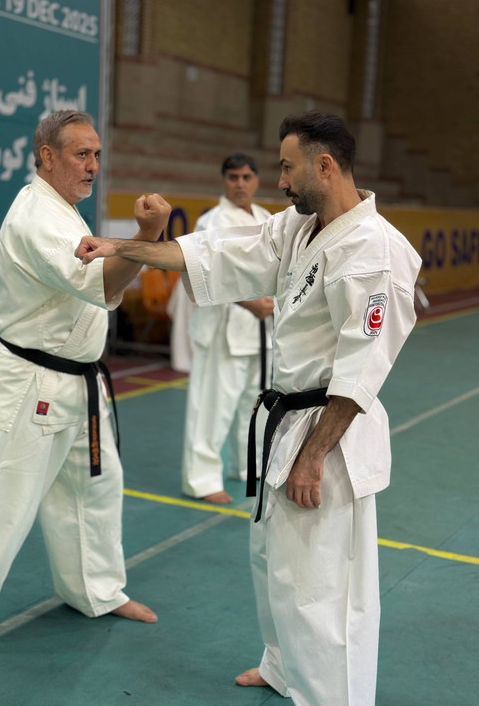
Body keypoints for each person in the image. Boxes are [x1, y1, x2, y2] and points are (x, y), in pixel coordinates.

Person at [75, 112, 422, 706]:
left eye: (287, 168)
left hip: (328, 434)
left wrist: (313, 457)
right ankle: (284, 667)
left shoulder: (375, 250)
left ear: (325, 166)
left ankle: (332, 697)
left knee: (322, 587)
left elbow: (361, 373)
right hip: (287, 420)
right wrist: (124, 247)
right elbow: (221, 251)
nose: (278, 182)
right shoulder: (299, 226)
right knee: (274, 563)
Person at [0, 110, 170, 655]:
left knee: (94, 491)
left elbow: (100, 280)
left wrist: (134, 244)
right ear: (47, 156)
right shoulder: (37, 217)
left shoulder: (64, 210)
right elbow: (100, 284)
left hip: (79, 383)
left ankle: (96, 591)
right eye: (81, 154)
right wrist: (146, 238)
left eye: (97, 155)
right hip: (32, 384)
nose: (93, 166)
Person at [179, 154, 274, 504]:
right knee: (212, 408)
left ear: (256, 180)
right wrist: (250, 303)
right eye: (233, 177)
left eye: (246, 177)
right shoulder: (211, 222)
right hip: (222, 328)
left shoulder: (266, 219)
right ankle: (201, 480)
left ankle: (249, 466)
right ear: (224, 181)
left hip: (261, 330)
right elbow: (203, 275)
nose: (240, 184)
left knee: (255, 404)